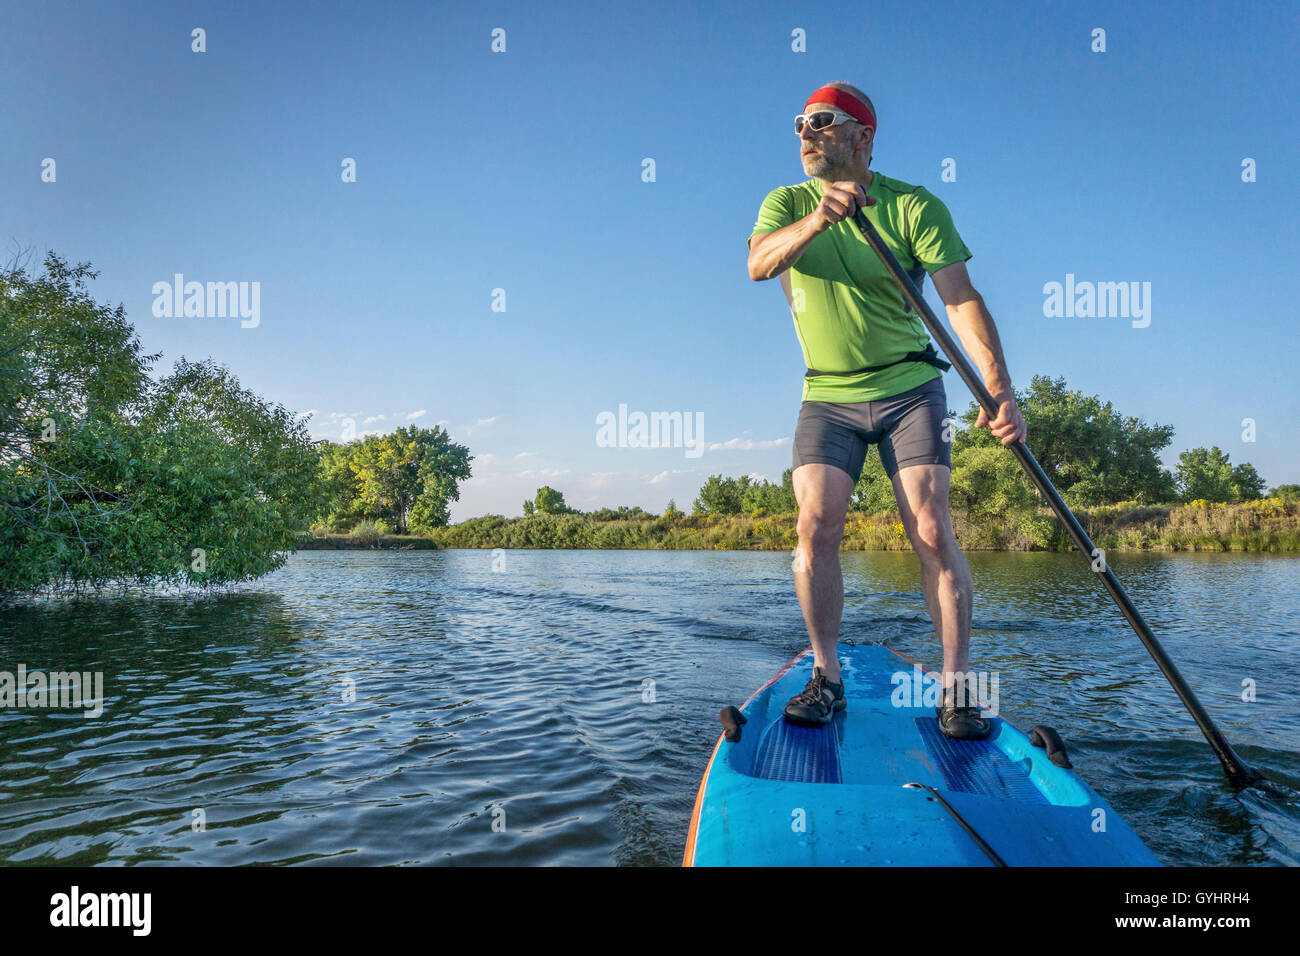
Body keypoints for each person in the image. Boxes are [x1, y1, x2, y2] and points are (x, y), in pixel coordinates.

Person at [746, 82, 1027, 739]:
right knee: (815, 527)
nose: (804, 135)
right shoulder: (786, 203)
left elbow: (959, 297)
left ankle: (956, 691)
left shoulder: (913, 205)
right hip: (828, 394)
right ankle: (826, 677)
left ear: (863, 136)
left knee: (931, 530)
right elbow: (759, 264)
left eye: (821, 122)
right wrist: (821, 217)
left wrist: (1000, 388)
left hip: (909, 390)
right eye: (799, 124)